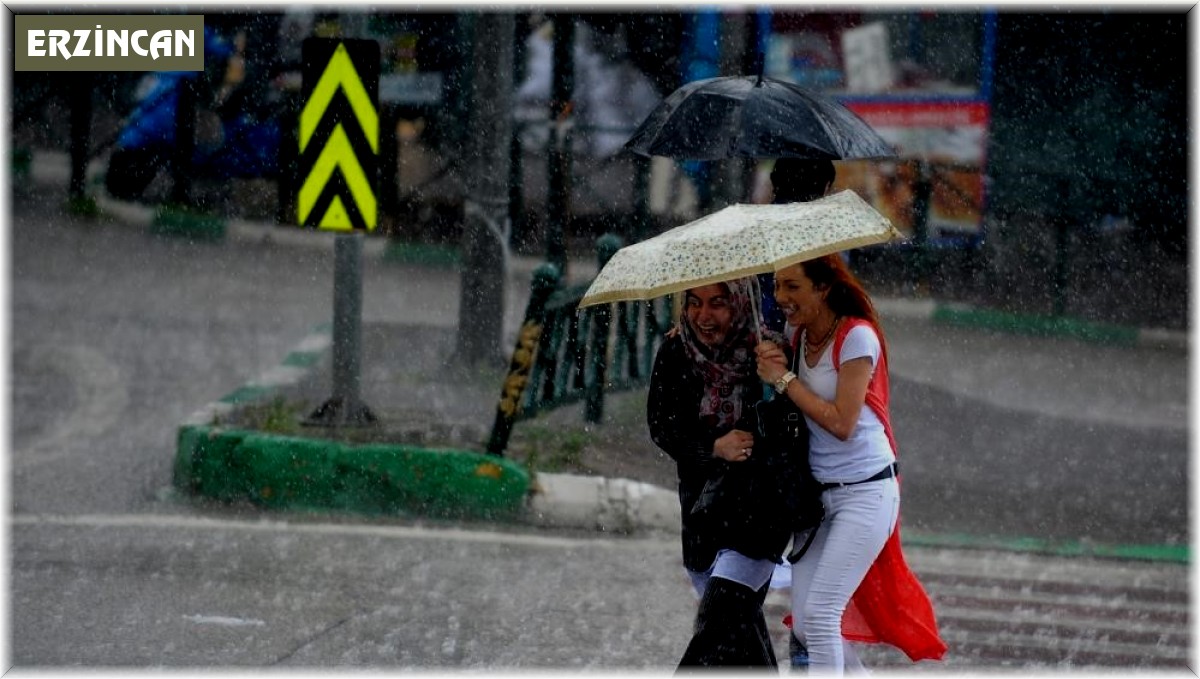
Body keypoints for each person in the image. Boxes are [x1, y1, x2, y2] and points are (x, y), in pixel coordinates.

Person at [755, 254, 947, 673]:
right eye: (777, 286)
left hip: (866, 491)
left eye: (792, 287)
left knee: (823, 614)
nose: (781, 297)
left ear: (823, 288)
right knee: (807, 623)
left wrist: (784, 380)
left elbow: (843, 422)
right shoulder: (797, 333)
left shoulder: (857, 337)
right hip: (817, 498)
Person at [647, 277, 791, 670]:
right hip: (703, 512)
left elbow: (792, 431)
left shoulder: (770, 350)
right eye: (694, 303)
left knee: (716, 626)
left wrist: (778, 382)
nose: (703, 315)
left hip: (759, 515)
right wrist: (714, 447)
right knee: (741, 634)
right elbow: (662, 427)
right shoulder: (675, 352)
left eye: (718, 304)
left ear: (741, 303)